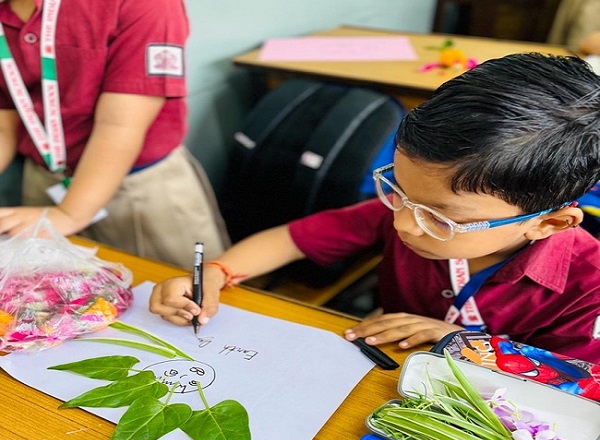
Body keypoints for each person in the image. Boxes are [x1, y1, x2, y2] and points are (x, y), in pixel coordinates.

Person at [149, 53, 600, 364]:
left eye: (439, 218)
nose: (403, 222)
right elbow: (287, 239)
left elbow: (578, 380)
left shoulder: (588, 285)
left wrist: (462, 343)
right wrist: (218, 273)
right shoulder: (412, 210)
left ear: (550, 223)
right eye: (397, 189)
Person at [0, 0, 230, 269]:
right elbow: (5, 123)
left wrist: (70, 213)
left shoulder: (144, 5)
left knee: (177, 293)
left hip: (137, 188)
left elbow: (119, 126)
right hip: (45, 178)